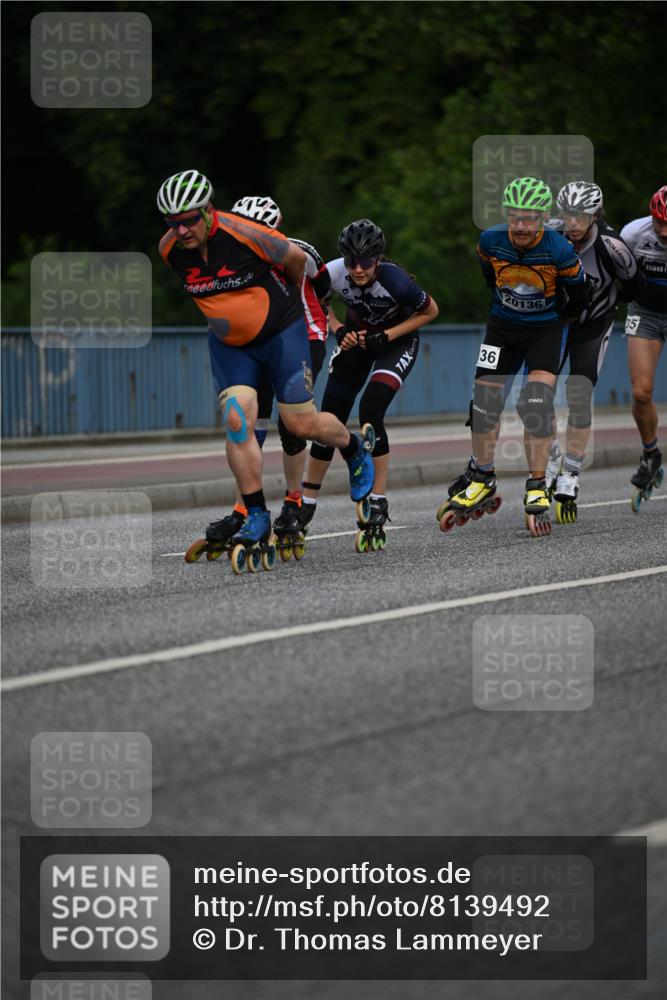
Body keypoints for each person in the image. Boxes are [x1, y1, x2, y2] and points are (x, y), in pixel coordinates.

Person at [156, 170, 374, 568]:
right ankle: (254, 513)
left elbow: (295, 263)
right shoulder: (170, 249)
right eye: (173, 222)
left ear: (208, 211)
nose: (181, 230)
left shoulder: (245, 233)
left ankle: (353, 446)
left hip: (280, 335)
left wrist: (283, 306)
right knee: (238, 420)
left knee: (300, 425)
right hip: (230, 346)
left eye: (188, 220)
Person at [437, 176, 588, 537]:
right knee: (482, 405)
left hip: (545, 331)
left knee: (535, 404)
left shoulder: (560, 251)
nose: (520, 226)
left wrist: (559, 320)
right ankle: (483, 476)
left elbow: (579, 297)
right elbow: (490, 278)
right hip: (502, 328)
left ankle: (537, 484)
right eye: (514, 217)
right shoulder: (490, 241)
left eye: (529, 218)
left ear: (543, 218)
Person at [300, 219, 439, 546]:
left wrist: (387, 335)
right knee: (328, 419)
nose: (358, 269)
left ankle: (378, 500)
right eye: (352, 262)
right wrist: (338, 329)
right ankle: (305, 504)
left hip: (397, 341)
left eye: (365, 262)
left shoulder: (396, 280)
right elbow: (317, 304)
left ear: (378, 259)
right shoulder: (333, 273)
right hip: (358, 338)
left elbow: (431, 311)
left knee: (371, 411)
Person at [543, 181, 656, 521]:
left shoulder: (612, 245)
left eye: (581, 216)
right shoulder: (550, 235)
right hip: (557, 323)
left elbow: (636, 285)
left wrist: (609, 301)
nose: (573, 223)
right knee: (537, 393)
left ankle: (571, 472)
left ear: (595, 215)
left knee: (578, 393)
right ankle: (551, 457)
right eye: (568, 215)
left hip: (593, 326)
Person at [620, 185, 667, 510]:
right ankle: (650, 454)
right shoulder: (634, 234)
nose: (664, 232)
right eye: (659, 223)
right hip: (645, 312)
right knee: (640, 392)